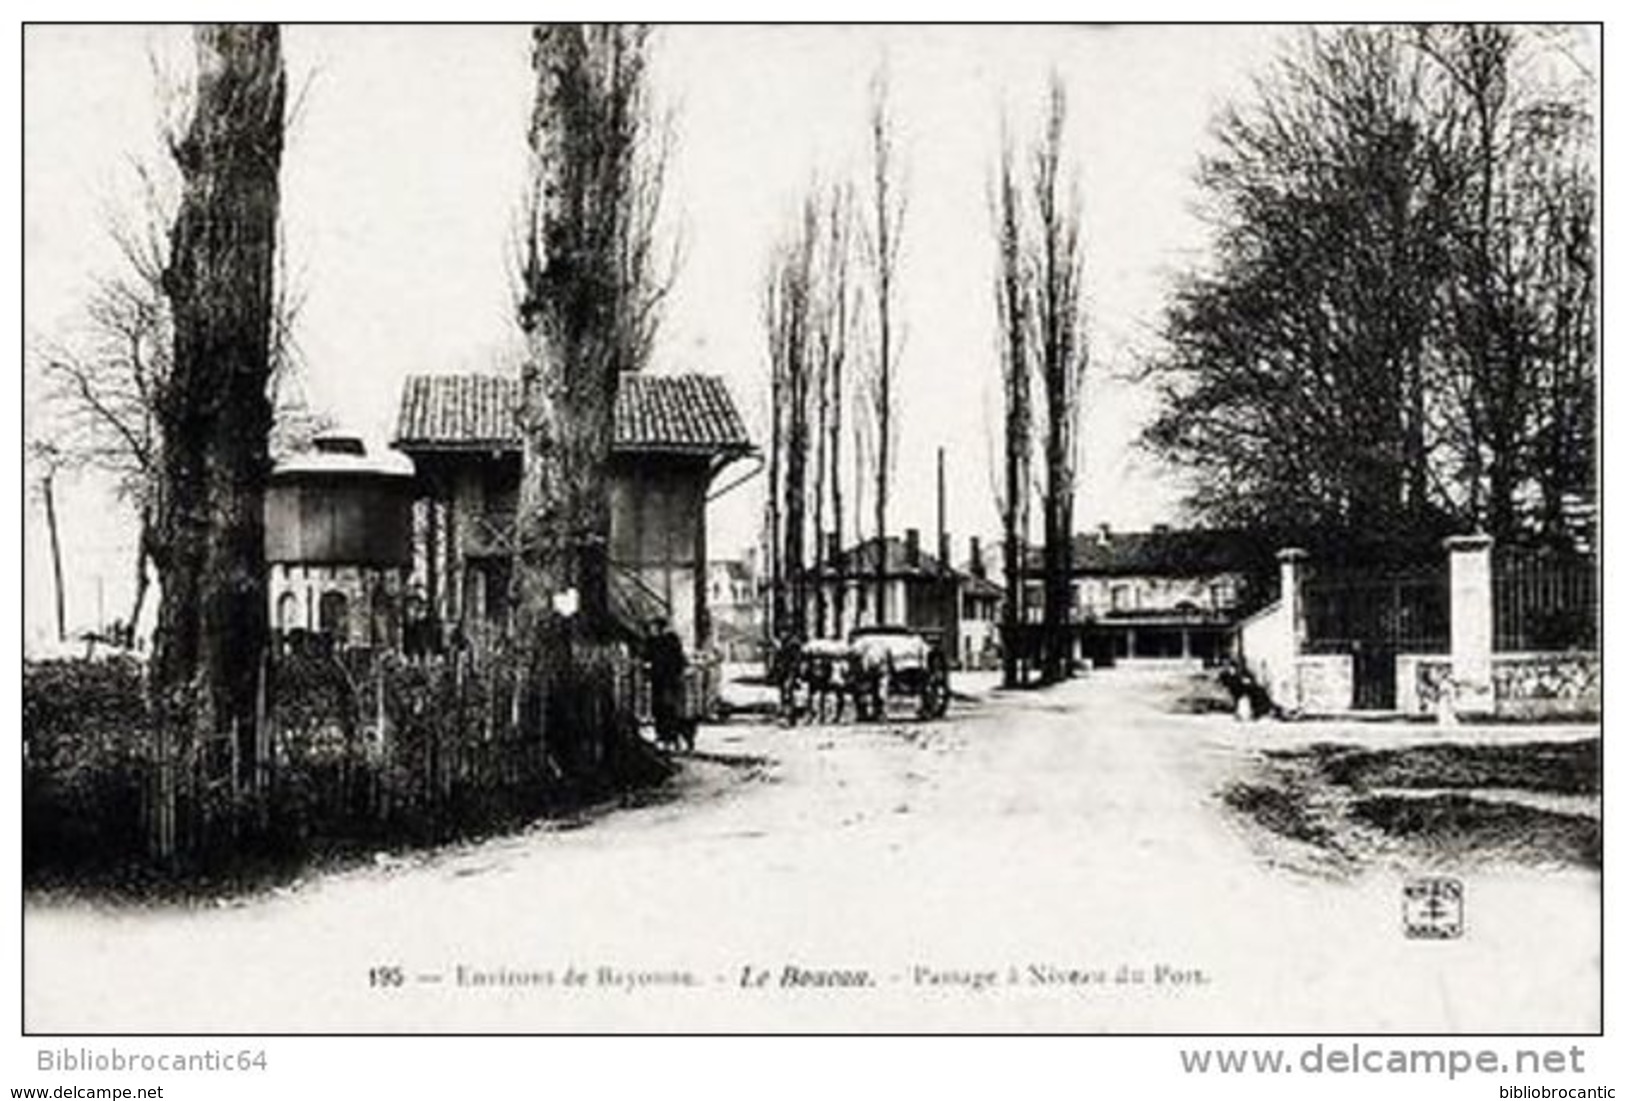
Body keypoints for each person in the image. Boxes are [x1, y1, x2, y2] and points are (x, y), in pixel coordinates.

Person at [646, 617, 690, 751]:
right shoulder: (652, 641)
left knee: (669, 709)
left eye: (654, 627)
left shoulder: (670, 640)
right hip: (659, 680)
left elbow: (678, 659)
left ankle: (672, 737)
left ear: (660, 628)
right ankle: (663, 736)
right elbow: (646, 656)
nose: (652, 630)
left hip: (670, 680)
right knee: (659, 709)